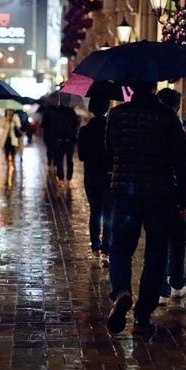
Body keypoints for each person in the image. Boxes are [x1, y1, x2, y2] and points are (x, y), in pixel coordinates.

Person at [104, 81, 186, 334]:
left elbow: (109, 150)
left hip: (124, 193)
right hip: (160, 194)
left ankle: (121, 290)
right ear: (154, 87)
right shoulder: (167, 116)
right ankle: (143, 315)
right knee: (156, 253)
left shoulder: (116, 114)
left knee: (120, 248)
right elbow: (181, 159)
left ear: (131, 87)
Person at [156, 88, 186, 303]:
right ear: (178, 106)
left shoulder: (153, 126)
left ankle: (161, 287)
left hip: (158, 190)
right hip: (181, 192)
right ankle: (177, 282)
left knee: (159, 239)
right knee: (179, 239)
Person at [78, 96, 111, 263]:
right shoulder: (110, 129)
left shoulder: (84, 130)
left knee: (95, 211)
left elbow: (82, 156)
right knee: (108, 213)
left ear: (91, 109)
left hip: (91, 175)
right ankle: (106, 249)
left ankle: (95, 248)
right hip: (109, 175)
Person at [50, 105, 80, 184]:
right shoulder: (71, 112)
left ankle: (61, 178)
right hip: (69, 140)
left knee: (59, 160)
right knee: (69, 160)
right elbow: (76, 125)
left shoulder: (56, 112)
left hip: (59, 140)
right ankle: (69, 178)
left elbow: (52, 127)